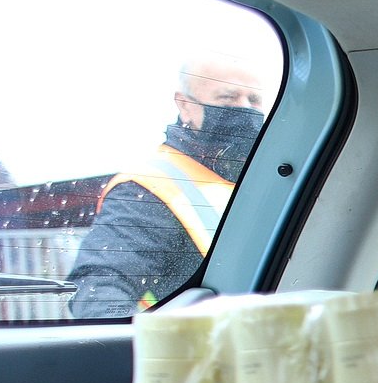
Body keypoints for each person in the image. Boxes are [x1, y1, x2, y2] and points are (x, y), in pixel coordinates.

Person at [68, 53, 272, 317]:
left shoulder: (268, 177)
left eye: (254, 100)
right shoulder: (148, 189)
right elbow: (99, 293)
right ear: (185, 105)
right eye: (228, 98)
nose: (245, 109)